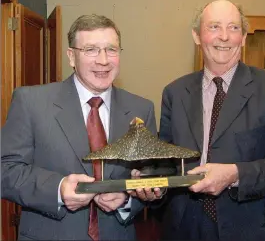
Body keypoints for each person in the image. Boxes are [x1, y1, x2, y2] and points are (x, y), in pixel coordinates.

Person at [1, 14, 157, 241]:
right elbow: (5, 170)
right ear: (71, 56)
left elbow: (153, 177)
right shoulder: (31, 102)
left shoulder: (141, 109)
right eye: (91, 50)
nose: (103, 60)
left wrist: (127, 200)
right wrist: (58, 188)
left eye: (111, 49)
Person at [156, 0, 265, 241]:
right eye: (214, 27)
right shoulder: (175, 93)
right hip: (184, 226)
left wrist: (235, 174)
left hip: (251, 227)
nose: (224, 37)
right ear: (197, 36)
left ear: (243, 37)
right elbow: (165, 162)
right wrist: (149, 180)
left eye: (233, 28)